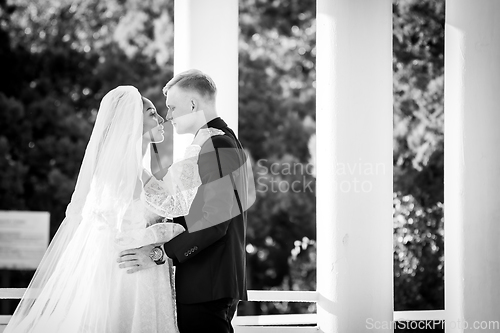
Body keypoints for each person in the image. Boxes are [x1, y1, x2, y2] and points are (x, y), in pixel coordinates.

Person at [5, 85, 223, 333]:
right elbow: (174, 203)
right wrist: (200, 145)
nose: (162, 118)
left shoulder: (133, 170)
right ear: (131, 123)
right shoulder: (126, 173)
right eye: (152, 113)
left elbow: (170, 201)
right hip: (130, 277)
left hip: (129, 271)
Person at [118, 70, 255, 333]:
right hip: (205, 282)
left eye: (172, 107)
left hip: (208, 283)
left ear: (192, 105)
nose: (168, 116)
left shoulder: (217, 144)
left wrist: (160, 254)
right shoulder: (213, 142)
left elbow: (215, 221)